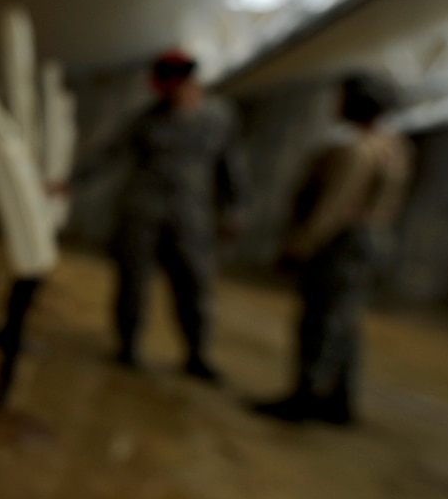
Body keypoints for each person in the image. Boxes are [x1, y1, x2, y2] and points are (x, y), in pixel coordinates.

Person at [255, 72, 414, 425]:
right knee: (345, 322)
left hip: (343, 242)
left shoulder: (356, 150)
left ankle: (306, 396)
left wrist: (300, 246)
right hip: (373, 240)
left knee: (321, 320)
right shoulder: (395, 147)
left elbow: (335, 206)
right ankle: (338, 401)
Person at [109, 47, 247, 379]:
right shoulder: (147, 118)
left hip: (190, 215)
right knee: (133, 282)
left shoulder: (218, 117)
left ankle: (197, 353)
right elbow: (109, 151)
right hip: (142, 211)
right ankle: (128, 346)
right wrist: (68, 180)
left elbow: (232, 168)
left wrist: (236, 209)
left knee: (194, 284)